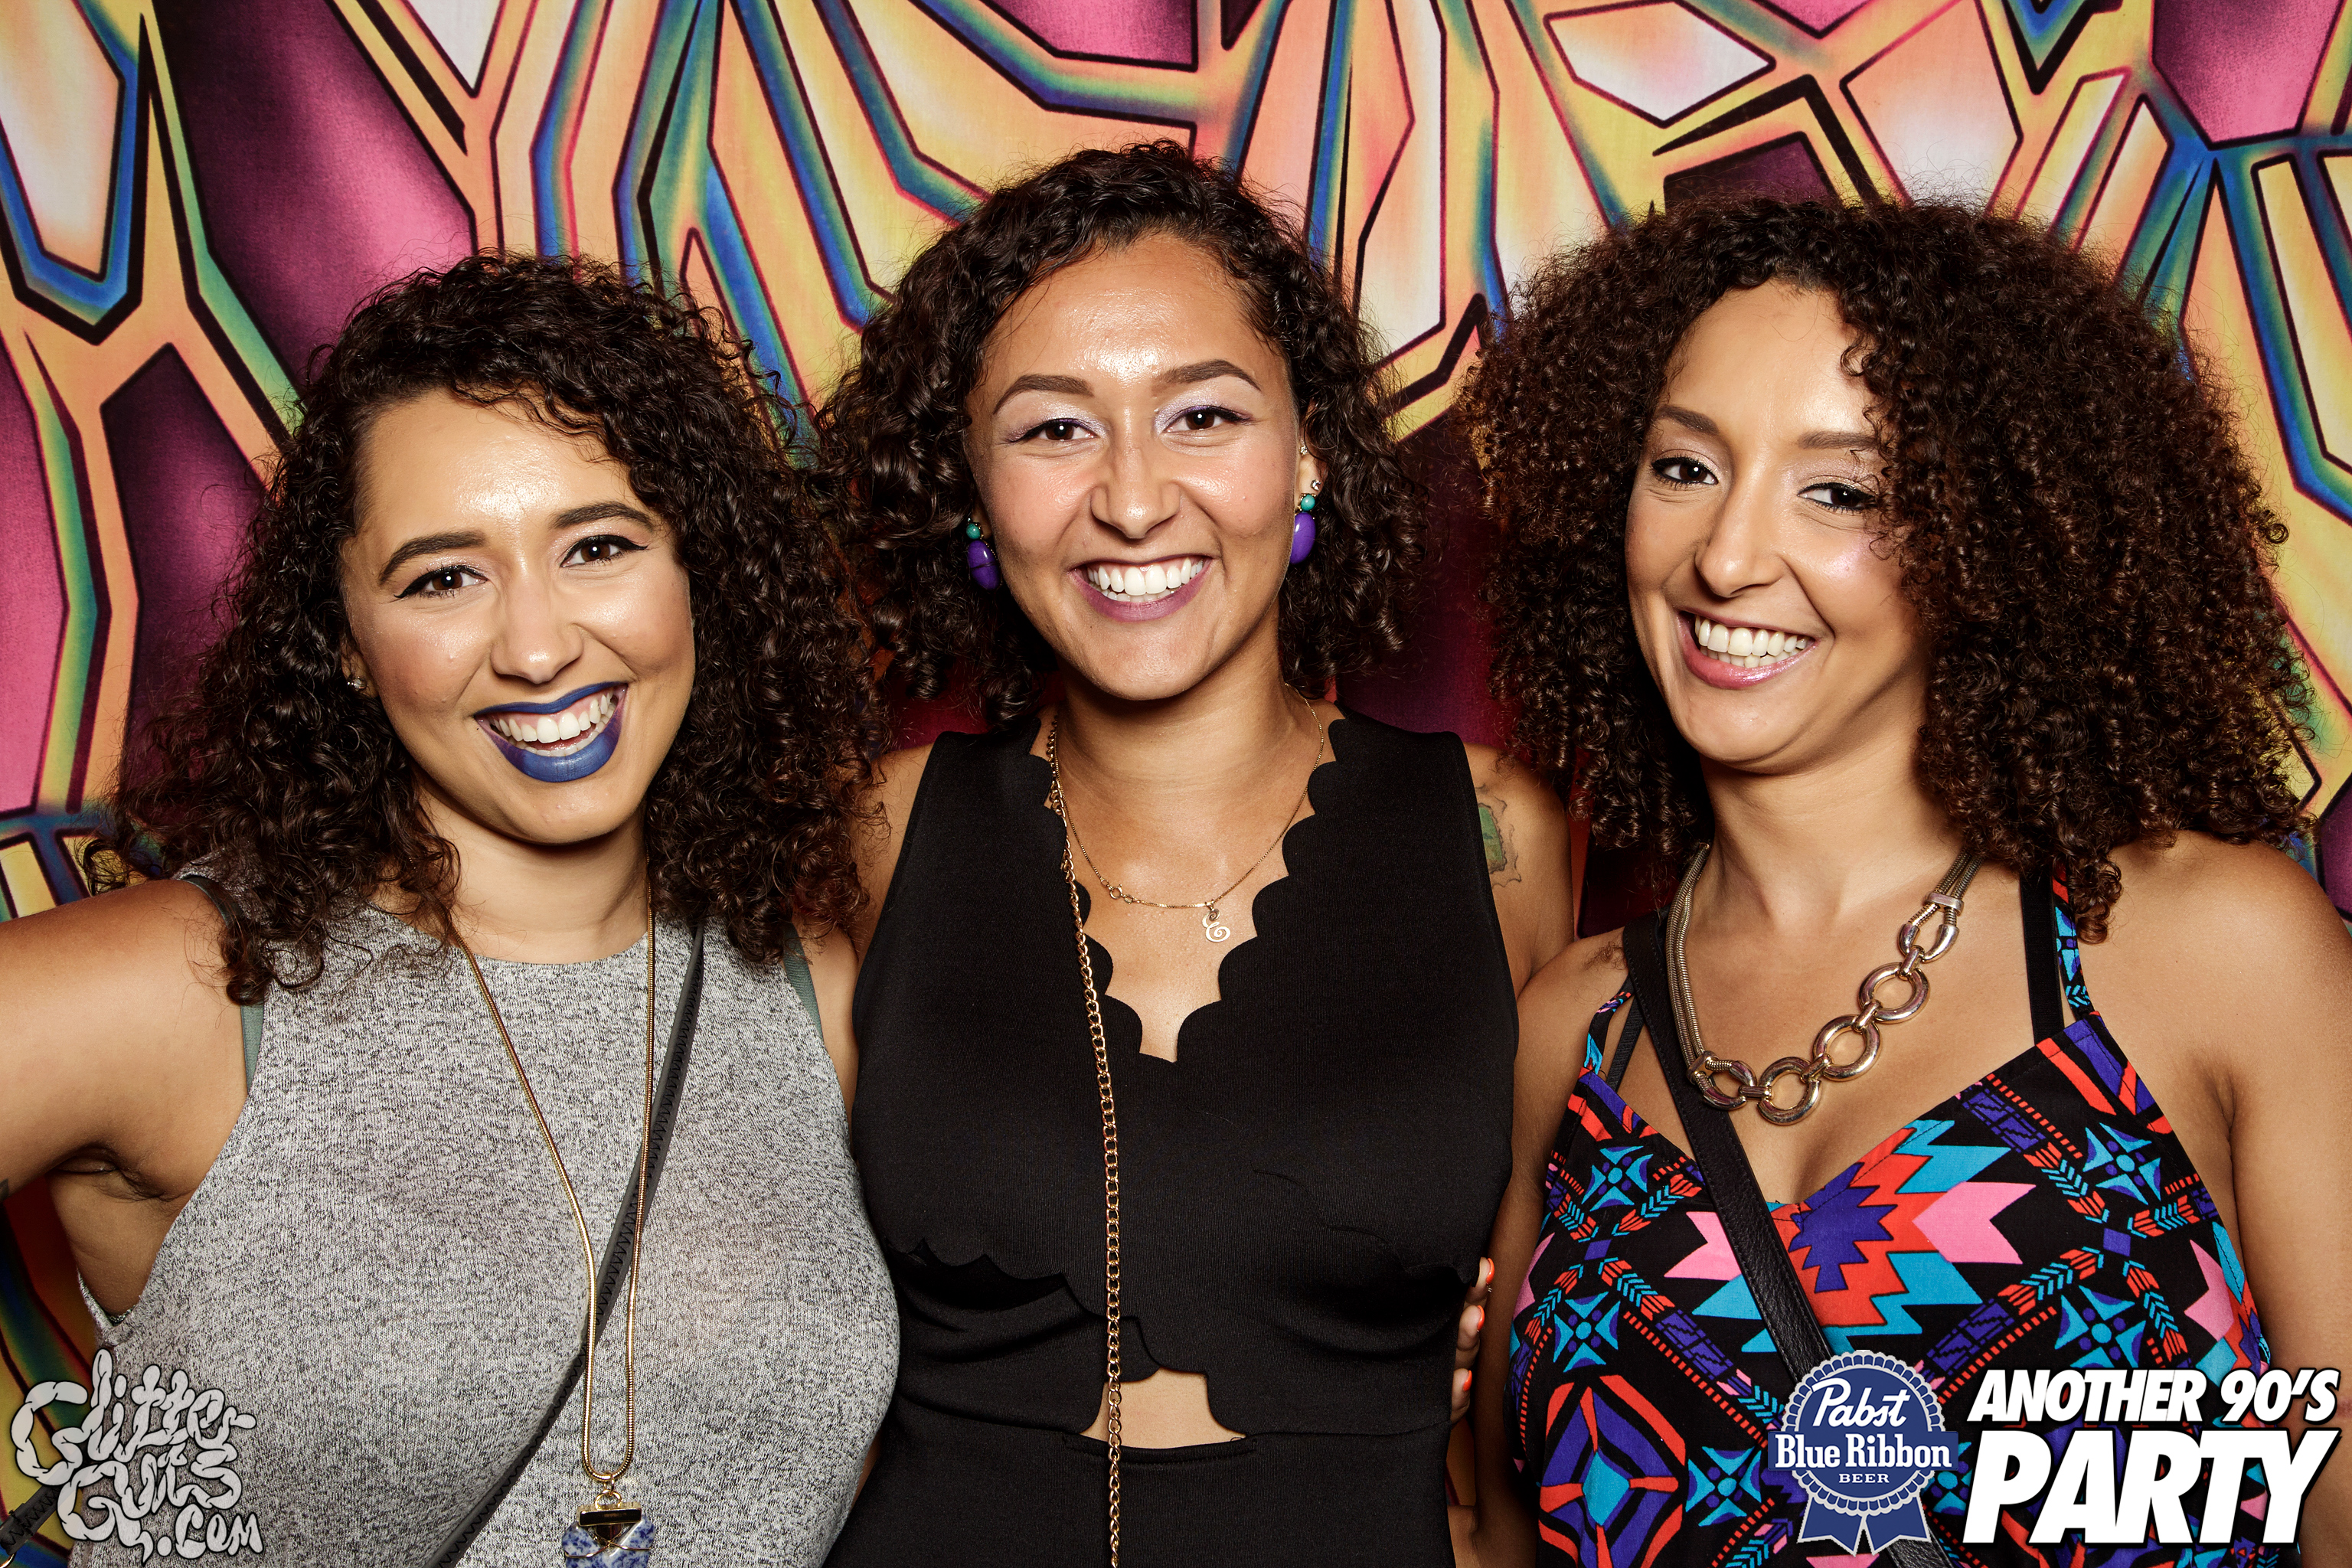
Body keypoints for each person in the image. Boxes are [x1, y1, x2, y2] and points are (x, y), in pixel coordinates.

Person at [1459, 198, 2352, 1564]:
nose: (1727, 558)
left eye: (1842, 492)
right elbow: (1498, 1543)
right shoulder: (1574, 1034)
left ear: (1987, 538)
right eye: (1685, 467)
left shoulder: (2213, 953)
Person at [1, 254, 896, 1565]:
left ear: (698, 574)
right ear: (347, 645)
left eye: (599, 547)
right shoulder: (191, 989)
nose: (537, 647)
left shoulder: (809, 991)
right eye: (442, 579)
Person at [816, 141, 1573, 1565]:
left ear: (1311, 452)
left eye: (1203, 415)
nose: (1133, 499)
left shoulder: (1503, 836)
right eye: (1055, 430)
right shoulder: (876, 832)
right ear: (971, 485)